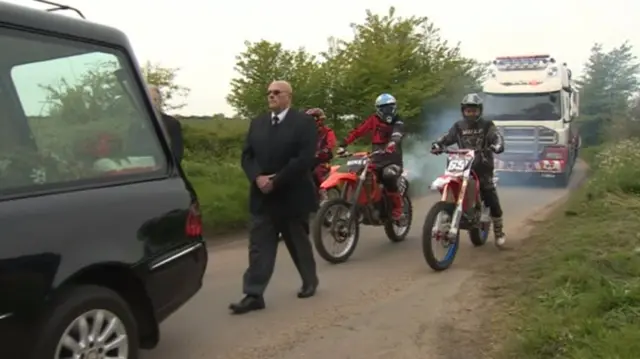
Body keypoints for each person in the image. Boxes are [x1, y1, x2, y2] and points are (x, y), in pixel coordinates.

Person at [231, 80, 319, 315]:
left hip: (292, 195)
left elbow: (304, 159)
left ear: (288, 96)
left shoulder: (304, 123)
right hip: (262, 197)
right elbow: (247, 156)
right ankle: (253, 294)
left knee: (297, 242)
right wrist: (257, 177)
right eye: (269, 92)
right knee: (259, 247)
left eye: (276, 93)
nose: (271, 96)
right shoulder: (257, 123)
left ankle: (309, 280)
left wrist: (276, 180)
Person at [430, 93, 507, 247]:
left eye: (474, 110)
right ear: (463, 111)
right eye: (468, 110)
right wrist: (438, 144)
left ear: (480, 111)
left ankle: (498, 230)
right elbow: (446, 137)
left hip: (482, 165)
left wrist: (497, 145)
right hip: (461, 165)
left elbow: (497, 137)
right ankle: (448, 213)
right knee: (449, 184)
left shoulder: (487, 125)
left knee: (488, 191)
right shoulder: (458, 126)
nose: (471, 113)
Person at [336, 93, 405, 220]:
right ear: (378, 109)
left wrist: (392, 142)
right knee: (361, 174)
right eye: (383, 107)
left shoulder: (398, 120)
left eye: (390, 107)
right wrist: (343, 144)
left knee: (388, 175)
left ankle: (398, 208)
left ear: (395, 107)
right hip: (376, 157)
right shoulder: (373, 119)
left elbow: (397, 133)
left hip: (393, 158)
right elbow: (358, 131)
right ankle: (364, 203)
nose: (387, 110)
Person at [148, 85, 184, 163]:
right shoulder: (137, 124)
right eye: (149, 100)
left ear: (160, 101)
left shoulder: (172, 123)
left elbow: (177, 153)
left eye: (155, 99)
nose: (152, 103)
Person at [306, 108, 337, 189]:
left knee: (317, 172)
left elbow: (331, 146)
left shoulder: (328, 132)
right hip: (309, 162)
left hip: (323, 162)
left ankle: (324, 192)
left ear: (319, 120)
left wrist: (320, 153)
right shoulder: (307, 134)